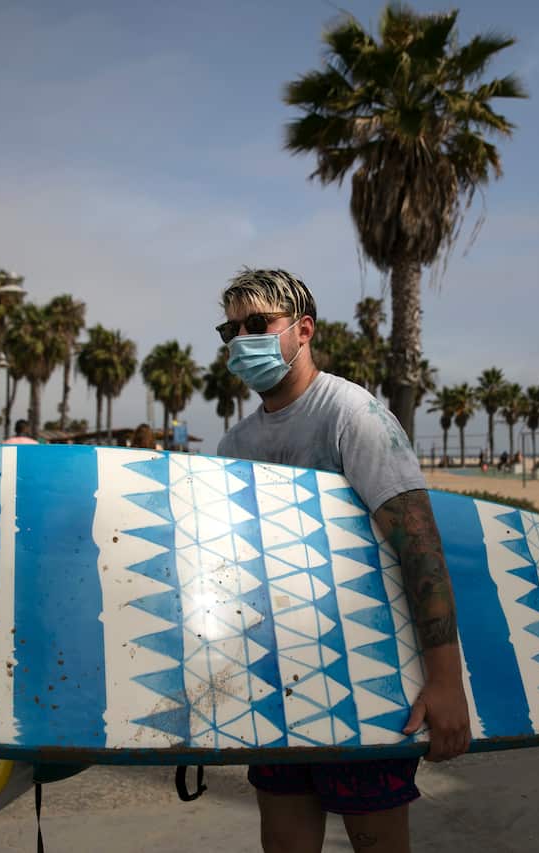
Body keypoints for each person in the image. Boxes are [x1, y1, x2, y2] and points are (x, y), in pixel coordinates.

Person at [215, 268, 469, 853]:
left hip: (365, 675)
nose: (241, 338)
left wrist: (446, 681)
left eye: (258, 324)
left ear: (303, 330)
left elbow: (420, 547)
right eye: (230, 329)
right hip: (275, 680)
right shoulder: (234, 447)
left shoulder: (352, 414)